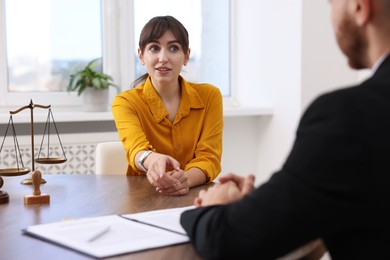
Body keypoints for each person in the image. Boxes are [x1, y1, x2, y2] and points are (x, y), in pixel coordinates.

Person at [180, 0, 390, 259]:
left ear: (359, 7)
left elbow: (226, 239)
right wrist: (263, 205)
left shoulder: (347, 116)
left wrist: (211, 207)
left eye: (331, 3)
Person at [112, 16, 223, 196]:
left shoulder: (210, 96)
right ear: (141, 55)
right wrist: (152, 159)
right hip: (144, 197)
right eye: (154, 48)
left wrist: (185, 179)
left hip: (194, 195)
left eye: (173, 48)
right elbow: (136, 150)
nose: (163, 58)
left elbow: (209, 158)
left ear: (186, 55)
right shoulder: (126, 102)